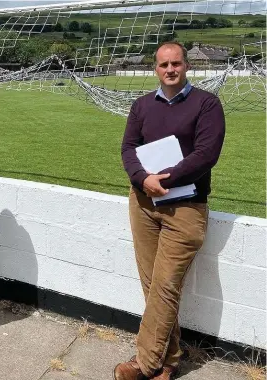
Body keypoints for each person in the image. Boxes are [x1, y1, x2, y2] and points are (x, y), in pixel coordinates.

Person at [116, 41, 225, 380]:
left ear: (187, 66)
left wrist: (162, 178)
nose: (170, 70)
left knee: (165, 286)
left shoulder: (207, 104)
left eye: (176, 63)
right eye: (164, 65)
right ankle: (171, 359)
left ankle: (145, 364)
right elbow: (128, 148)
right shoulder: (142, 105)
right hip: (144, 205)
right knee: (153, 287)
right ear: (155, 68)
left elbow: (206, 154)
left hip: (186, 209)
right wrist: (142, 179)